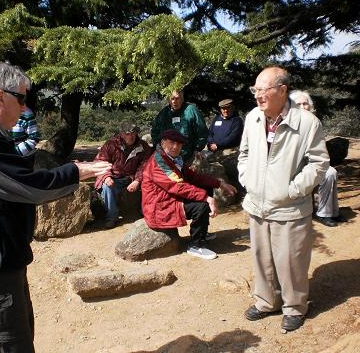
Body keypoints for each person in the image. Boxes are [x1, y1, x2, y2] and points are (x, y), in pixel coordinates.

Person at [0, 62, 111, 352]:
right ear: (0, 96)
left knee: (20, 336)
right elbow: (29, 187)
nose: (25, 107)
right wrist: (77, 170)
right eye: (21, 98)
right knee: (12, 344)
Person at [238, 67, 329, 332]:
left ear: (282, 90)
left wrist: (294, 189)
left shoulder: (307, 122)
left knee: (290, 260)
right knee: (262, 257)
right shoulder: (253, 118)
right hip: (257, 204)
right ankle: (267, 301)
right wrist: (248, 180)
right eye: (255, 90)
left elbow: (319, 163)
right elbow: (243, 154)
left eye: (263, 90)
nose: (257, 96)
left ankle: (295, 306)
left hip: (290, 206)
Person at [142, 129, 237, 260]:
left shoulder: (172, 158)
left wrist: (219, 184)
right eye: (172, 142)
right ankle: (195, 245)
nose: (176, 147)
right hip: (159, 206)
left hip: (169, 199)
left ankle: (202, 233)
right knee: (201, 205)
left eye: (179, 144)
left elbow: (193, 177)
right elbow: (177, 186)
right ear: (163, 142)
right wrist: (206, 198)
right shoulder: (158, 162)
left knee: (205, 188)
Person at [289, 90, 344, 227]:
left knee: (330, 173)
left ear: (310, 106)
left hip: (312, 162)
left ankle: (327, 212)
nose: (302, 106)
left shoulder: (314, 123)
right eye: (298, 104)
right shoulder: (287, 123)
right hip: (293, 164)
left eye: (305, 103)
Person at [94, 121, 153, 228]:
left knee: (150, 182)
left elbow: (145, 165)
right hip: (114, 178)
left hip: (131, 178)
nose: (132, 136)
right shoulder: (111, 144)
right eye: (128, 133)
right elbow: (100, 162)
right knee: (107, 187)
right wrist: (106, 177)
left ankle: (147, 212)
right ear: (121, 134)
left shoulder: (143, 146)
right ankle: (112, 217)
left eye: (134, 133)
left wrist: (137, 180)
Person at [151, 89, 209, 164]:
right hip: (167, 157)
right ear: (168, 100)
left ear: (182, 99)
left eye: (177, 98)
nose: (174, 101)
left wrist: (198, 149)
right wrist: (158, 146)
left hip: (188, 156)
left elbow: (202, 132)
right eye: (172, 98)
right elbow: (155, 131)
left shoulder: (191, 111)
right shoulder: (163, 113)